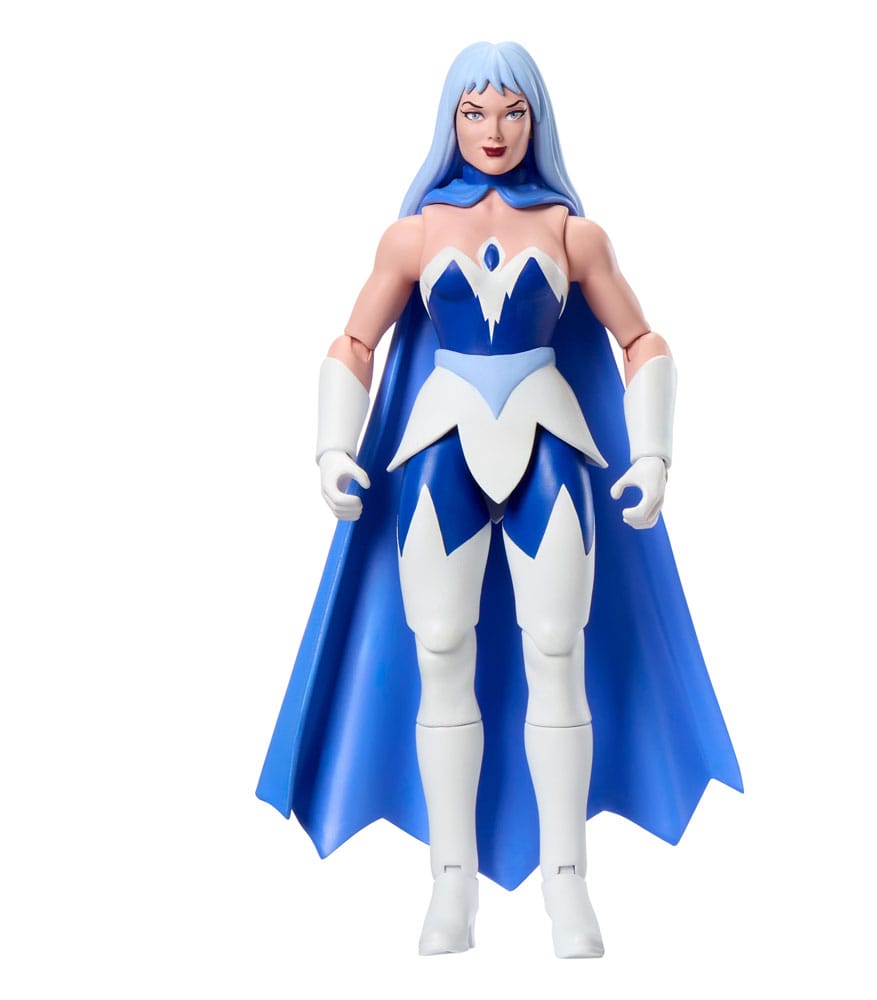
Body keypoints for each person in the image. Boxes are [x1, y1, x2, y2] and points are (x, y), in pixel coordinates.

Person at [257, 41, 742, 959]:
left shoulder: (572, 233)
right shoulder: (413, 235)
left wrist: (654, 453)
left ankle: (568, 880)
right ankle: (450, 880)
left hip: (550, 443)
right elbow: (355, 342)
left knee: (558, 650)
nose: (494, 131)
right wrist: (330, 445)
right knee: (439, 648)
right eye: (476, 112)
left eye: (513, 113)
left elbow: (641, 340)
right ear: (451, 119)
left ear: (536, 120)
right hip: (438, 447)